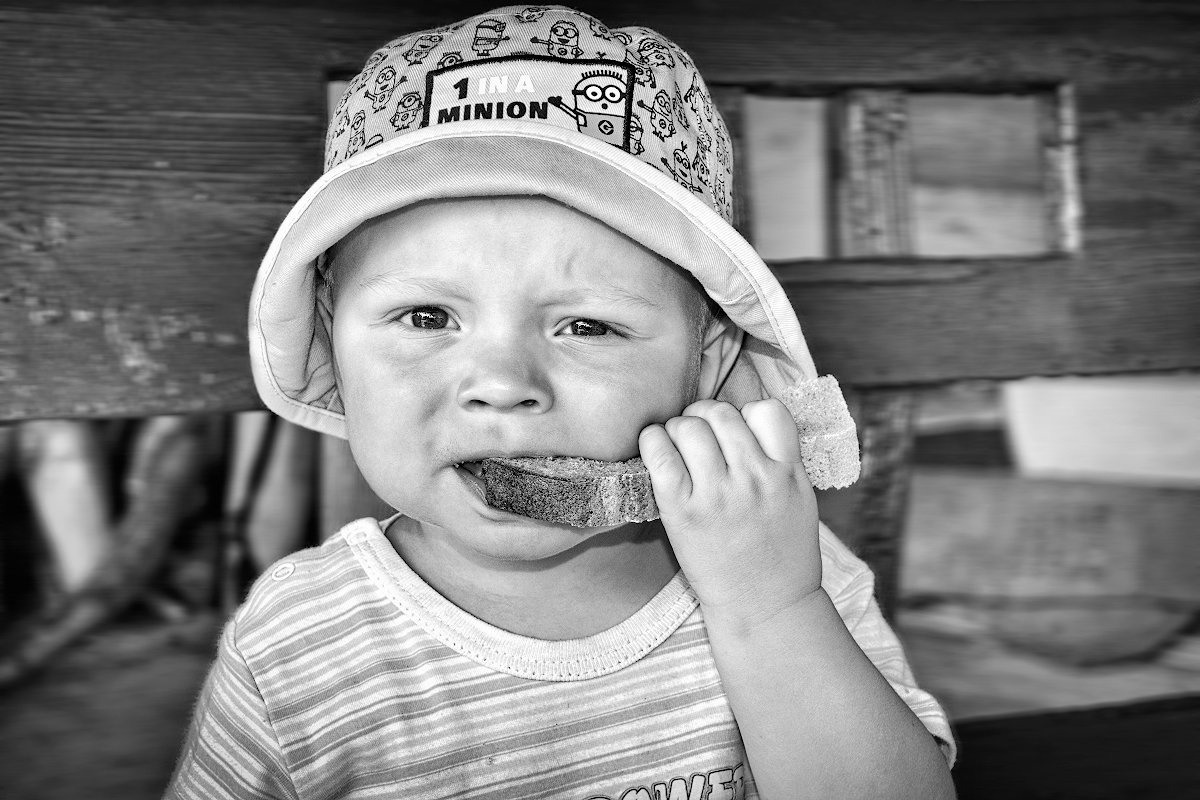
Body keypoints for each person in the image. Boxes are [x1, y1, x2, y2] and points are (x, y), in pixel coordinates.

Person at [166, 6, 957, 799]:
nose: (504, 382)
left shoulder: (782, 561)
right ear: (333, 340)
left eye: (587, 326)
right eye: (428, 317)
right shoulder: (296, 645)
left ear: (707, 357)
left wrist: (771, 607)